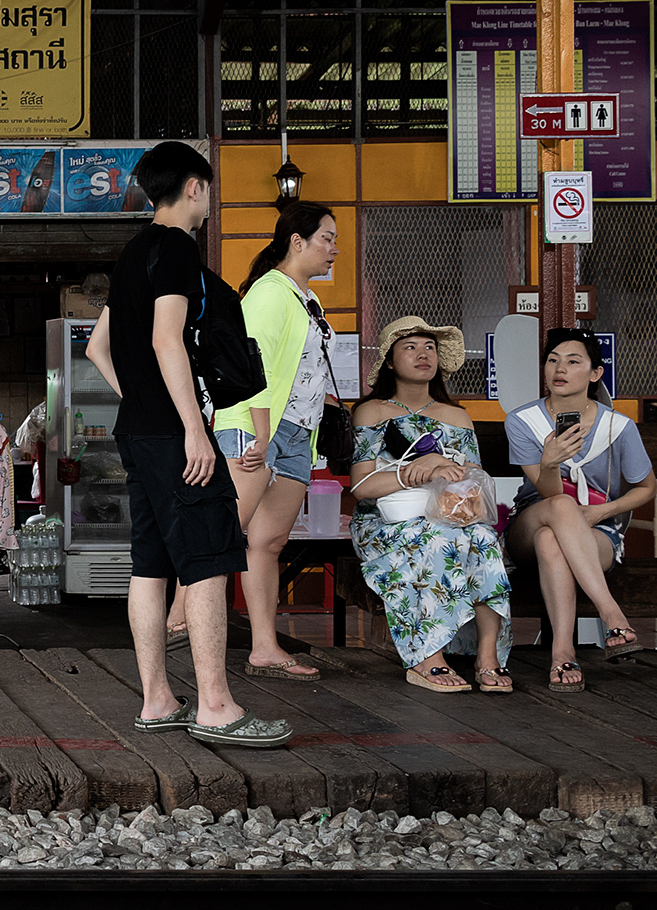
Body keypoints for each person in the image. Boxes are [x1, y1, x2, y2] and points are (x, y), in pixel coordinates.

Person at [86, 141, 291, 749]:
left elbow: (97, 348)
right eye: (209, 188)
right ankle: (217, 707)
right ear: (195, 187)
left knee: (150, 564)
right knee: (207, 559)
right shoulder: (177, 248)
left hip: (139, 430)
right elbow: (167, 339)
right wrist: (193, 428)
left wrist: (144, 404)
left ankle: (157, 701)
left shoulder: (130, 254)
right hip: (174, 433)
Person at [205, 201, 341, 682]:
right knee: (223, 532)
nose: (334, 249)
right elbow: (248, 364)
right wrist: (262, 433)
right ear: (297, 242)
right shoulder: (268, 292)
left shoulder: (308, 298)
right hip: (256, 425)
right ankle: (180, 615)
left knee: (268, 542)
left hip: (299, 430)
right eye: (327, 238)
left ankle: (264, 646)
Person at [348, 317, 513, 693]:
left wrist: (447, 468)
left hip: (451, 515)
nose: (423, 354)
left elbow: (472, 480)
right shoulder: (372, 412)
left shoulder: (456, 416)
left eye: (430, 348)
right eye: (410, 347)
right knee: (433, 537)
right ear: (389, 361)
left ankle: (488, 657)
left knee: (485, 540)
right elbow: (362, 487)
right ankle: (427, 655)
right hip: (385, 520)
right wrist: (412, 472)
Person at [504, 327, 653, 691]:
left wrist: (602, 513)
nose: (560, 369)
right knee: (558, 508)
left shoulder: (618, 427)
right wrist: (550, 462)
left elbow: (648, 488)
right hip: (531, 518)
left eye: (573, 362)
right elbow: (549, 493)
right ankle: (612, 614)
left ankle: (562, 654)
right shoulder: (523, 421)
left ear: (595, 373)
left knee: (551, 542)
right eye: (553, 361)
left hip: (594, 529)